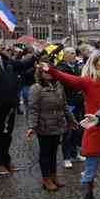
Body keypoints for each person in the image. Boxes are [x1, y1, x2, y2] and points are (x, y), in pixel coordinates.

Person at [41, 50, 100, 199]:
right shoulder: (88, 81)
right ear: (94, 64)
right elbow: (69, 79)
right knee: (90, 172)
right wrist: (52, 70)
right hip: (94, 132)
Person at [0, 37, 38, 175]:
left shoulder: (7, 60)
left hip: (9, 105)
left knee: (7, 136)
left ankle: (6, 161)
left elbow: (23, 64)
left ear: (0, 46)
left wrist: (37, 54)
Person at [27, 62, 77, 191]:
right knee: (45, 152)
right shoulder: (36, 88)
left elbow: (64, 105)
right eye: (45, 72)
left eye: (49, 71)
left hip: (58, 124)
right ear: (40, 73)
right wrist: (32, 126)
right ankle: (46, 179)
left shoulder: (58, 85)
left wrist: (71, 120)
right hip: (44, 126)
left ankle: (54, 176)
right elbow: (33, 109)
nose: (48, 74)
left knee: (54, 152)